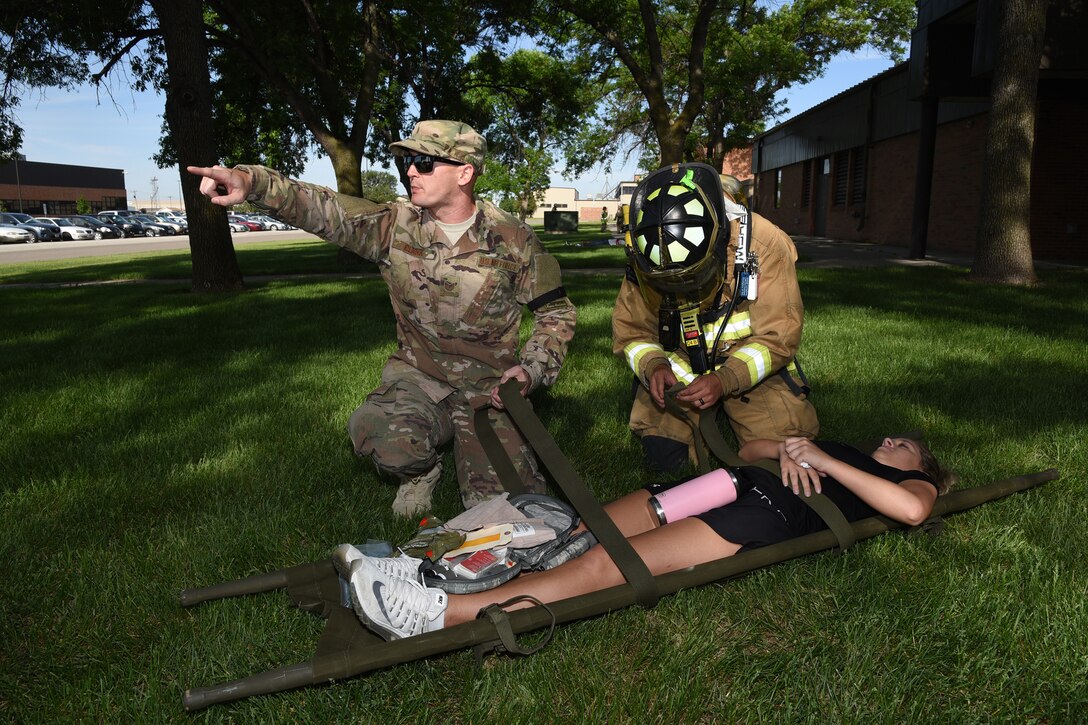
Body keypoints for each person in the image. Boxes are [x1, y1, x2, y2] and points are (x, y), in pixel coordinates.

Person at [187, 120, 577, 516]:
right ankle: (420, 471)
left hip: (489, 391)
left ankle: (474, 447)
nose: (410, 171)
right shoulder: (393, 226)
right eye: (407, 160)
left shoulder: (514, 239)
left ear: (464, 172)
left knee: (511, 515)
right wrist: (251, 182)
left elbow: (556, 312)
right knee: (378, 430)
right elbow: (322, 207)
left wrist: (531, 370)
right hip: (419, 381)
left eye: (424, 162)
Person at [341, 434, 953, 640]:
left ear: (920, 465)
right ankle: (419, 567)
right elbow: (749, 448)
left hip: (769, 513)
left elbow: (911, 511)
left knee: (612, 562)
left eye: (905, 445)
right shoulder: (845, 449)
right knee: (576, 532)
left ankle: (442, 613)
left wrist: (826, 460)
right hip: (730, 481)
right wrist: (791, 445)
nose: (892, 439)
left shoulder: (900, 480)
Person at [612, 163, 819, 473]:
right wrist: (654, 365)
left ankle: (738, 407)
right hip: (680, 363)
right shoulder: (646, 251)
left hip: (748, 369)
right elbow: (631, 332)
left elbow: (778, 336)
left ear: (721, 238)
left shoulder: (764, 244)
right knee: (666, 460)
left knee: (783, 459)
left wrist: (725, 380)